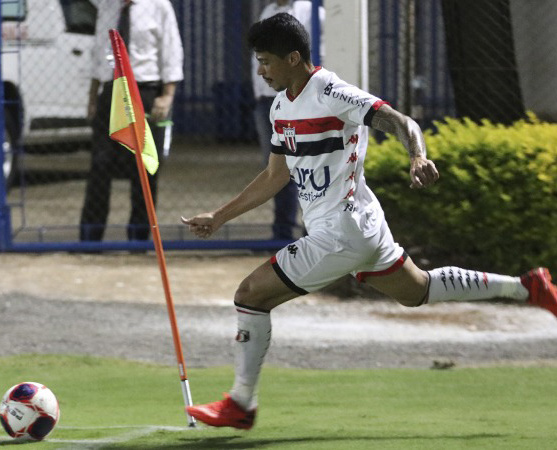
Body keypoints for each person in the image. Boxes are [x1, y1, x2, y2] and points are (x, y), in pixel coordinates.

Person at [182, 13, 557, 430]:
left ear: (293, 58)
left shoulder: (331, 91)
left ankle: (240, 403)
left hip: (342, 231)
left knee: (251, 294)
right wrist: (219, 217)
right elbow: (275, 175)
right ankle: (528, 287)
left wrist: (417, 156)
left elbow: (401, 121)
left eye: (266, 61)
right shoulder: (279, 107)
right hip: (362, 226)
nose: (260, 71)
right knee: (418, 290)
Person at [80, 0, 183, 242]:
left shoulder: (159, 6)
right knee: (100, 164)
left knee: (144, 168)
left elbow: (171, 49)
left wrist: (167, 95)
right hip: (111, 91)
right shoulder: (107, 5)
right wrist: (93, 96)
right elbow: (98, 52)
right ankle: (90, 237)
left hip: (144, 90)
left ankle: (138, 236)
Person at [251, 1, 325, 240]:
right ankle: (282, 232)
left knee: (307, 168)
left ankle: (312, 233)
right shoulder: (269, 11)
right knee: (277, 169)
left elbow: (317, 57)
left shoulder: (311, 12)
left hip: (301, 100)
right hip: (268, 101)